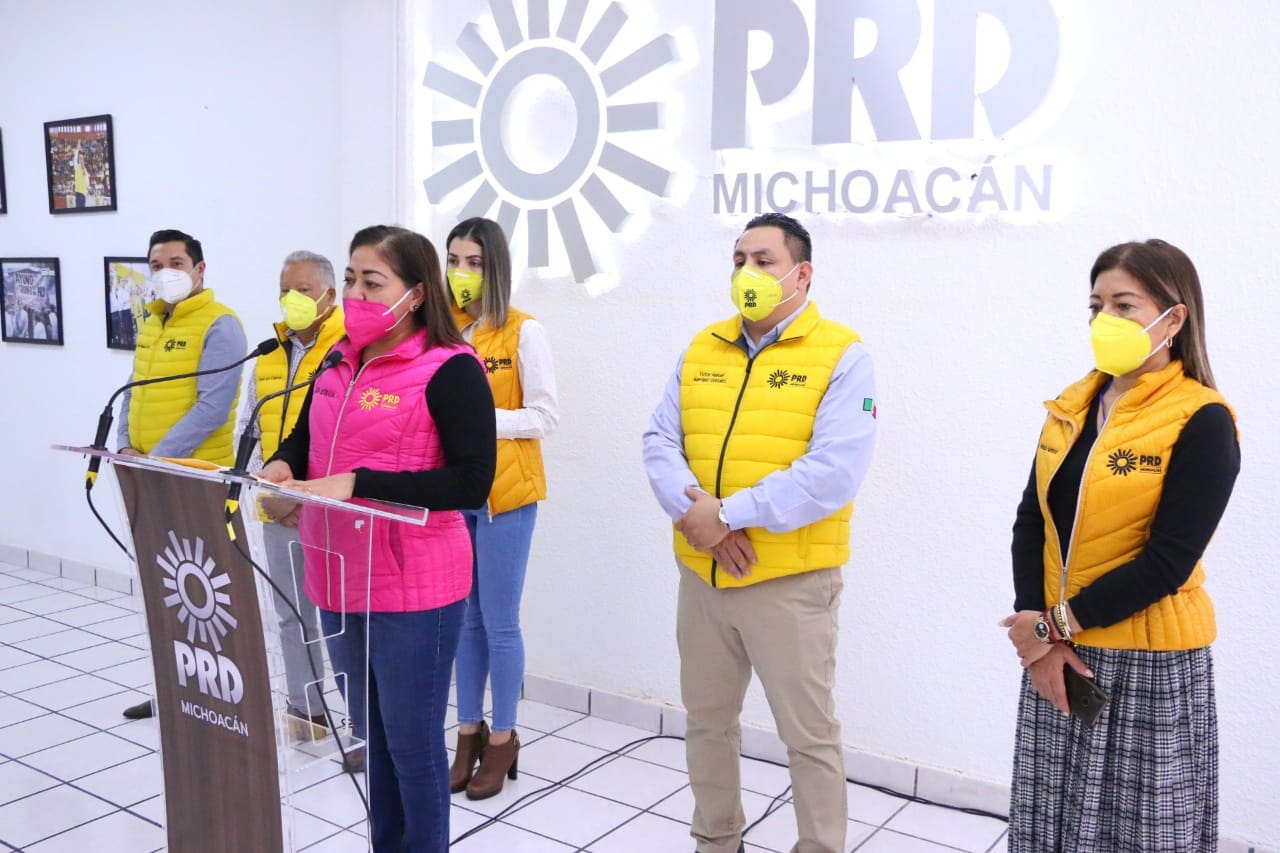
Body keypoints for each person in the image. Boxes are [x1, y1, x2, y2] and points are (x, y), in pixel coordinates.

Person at [642, 212, 877, 853]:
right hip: (704, 574)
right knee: (707, 722)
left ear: (802, 273)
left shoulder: (842, 355)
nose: (748, 271)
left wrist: (729, 514)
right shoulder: (702, 347)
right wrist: (706, 523)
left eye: (764, 260)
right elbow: (661, 439)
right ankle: (716, 841)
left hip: (790, 585)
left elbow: (833, 472)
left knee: (809, 735)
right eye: (740, 259)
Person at [260, 225, 495, 852]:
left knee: (411, 748)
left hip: (413, 585)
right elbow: (306, 439)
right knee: (374, 741)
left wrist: (360, 483)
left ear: (416, 293)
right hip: (337, 575)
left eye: (373, 282)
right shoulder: (338, 359)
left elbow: (471, 482)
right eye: (351, 279)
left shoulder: (451, 368)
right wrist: (283, 465)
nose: (357, 294)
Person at [1002, 239, 1240, 852]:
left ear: (1175, 318)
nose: (1105, 319)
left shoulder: (1203, 419)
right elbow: (1032, 520)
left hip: (1146, 660)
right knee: (1050, 824)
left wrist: (1050, 626)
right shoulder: (1072, 407)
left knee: (1138, 834)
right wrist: (1037, 626)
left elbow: (1168, 563)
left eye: (1124, 305)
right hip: (1057, 650)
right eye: (1096, 305)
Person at [444, 218, 559, 800]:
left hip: (506, 496)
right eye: (453, 260)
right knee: (464, 619)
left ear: (495, 269)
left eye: (473, 262)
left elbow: (544, 416)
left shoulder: (522, 331)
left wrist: (478, 422)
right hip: (455, 494)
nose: (461, 273)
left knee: (500, 621)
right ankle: (468, 732)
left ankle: (504, 738)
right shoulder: (442, 332)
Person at [118, 228, 248, 720]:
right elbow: (133, 390)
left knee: (207, 596)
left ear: (199, 269)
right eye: (156, 265)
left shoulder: (220, 324)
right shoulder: (151, 321)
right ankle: (173, 690)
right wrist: (124, 445)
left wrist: (157, 458)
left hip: (196, 479)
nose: (165, 272)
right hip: (148, 474)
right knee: (166, 589)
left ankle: (222, 698)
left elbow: (213, 408)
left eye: (176, 262)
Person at [236, 250, 346, 745]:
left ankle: (361, 718)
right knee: (290, 611)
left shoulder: (347, 349)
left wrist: (305, 495)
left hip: (329, 505)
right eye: (285, 291)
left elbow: (346, 435)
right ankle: (308, 711)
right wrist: (264, 487)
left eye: (303, 290)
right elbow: (248, 426)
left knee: (341, 617)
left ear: (329, 295)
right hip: (275, 501)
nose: (291, 300)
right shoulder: (268, 352)